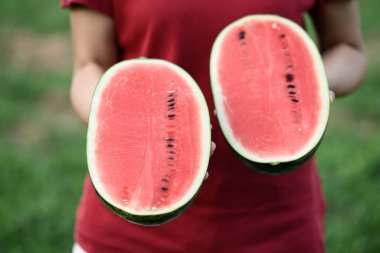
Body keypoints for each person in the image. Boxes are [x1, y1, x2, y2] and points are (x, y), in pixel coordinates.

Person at [61, 0, 366, 252]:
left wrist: (312, 83)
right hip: (128, 227)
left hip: (275, 227)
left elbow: (348, 49)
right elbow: (89, 65)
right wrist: (123, 120)